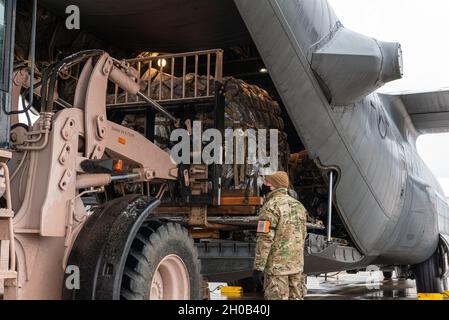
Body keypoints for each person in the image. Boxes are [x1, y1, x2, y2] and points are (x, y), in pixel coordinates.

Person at [253, 171, 308, 300]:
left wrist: (258, 268)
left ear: (273, 185)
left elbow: (264, 239)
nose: (264, 185)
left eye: (266, 182)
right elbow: (303, 234)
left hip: (277, 270)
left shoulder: (270, 207)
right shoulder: (299, 206)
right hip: (296, 267)